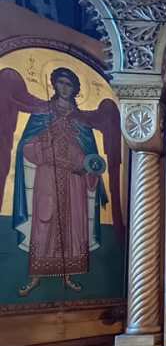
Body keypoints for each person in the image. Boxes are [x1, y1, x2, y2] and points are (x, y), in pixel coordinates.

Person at [0, 67, 123, 296]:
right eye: (61, 83)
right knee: (44, 222)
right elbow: (26, 146)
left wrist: (89, 168)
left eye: (69, 84)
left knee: (74, 226)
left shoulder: (81, 120)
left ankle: (68, 276)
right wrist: (46, 148)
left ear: (75, 89)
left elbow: (90, 156)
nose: (65, 88)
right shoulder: (42, 114)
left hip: (75, 181)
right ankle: (36, 276)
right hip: (47, 177)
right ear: (54, 85)